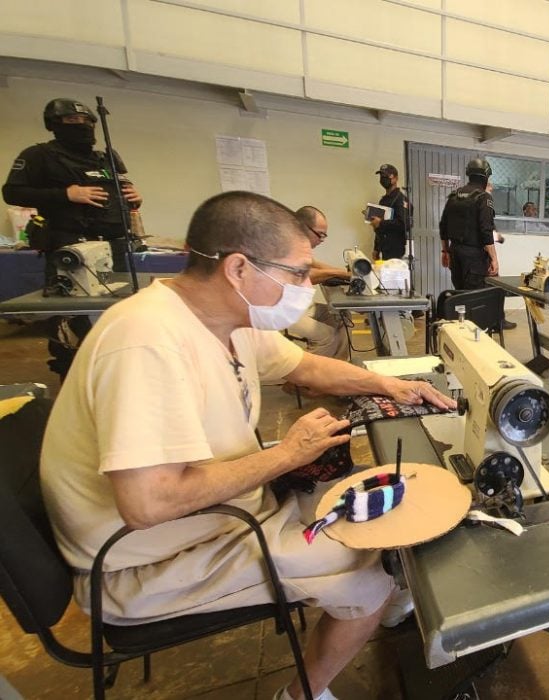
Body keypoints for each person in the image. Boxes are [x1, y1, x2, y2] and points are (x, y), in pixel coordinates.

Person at [39, 191, 457, 700]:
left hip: (218, 517)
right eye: (299, 273)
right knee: (368, 574)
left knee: (380, 511)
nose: (306, 286)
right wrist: (285, 455)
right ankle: (304, 691)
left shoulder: (224, 317)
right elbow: (150, 502)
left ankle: (388, 602)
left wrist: (389, 385)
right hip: (144, 564)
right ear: (238, 268)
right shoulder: (147, 342)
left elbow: (304, 366)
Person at [2, 97, 144, 377]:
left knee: (118, 311)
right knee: (72, 315)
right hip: (70, 245)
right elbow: (12, 193)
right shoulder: (38, 155)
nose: (81, 127)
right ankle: (72, 373)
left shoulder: (105, 158)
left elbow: (122, 191)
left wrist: (134, 198)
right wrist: (65, 194)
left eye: (87, 122)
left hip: (112, 245)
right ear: (54, 125)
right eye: (71, 122)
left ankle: (115, 368)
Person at [439, 158, 515, 329]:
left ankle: (461, 331)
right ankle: (476, 335)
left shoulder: (454, 196)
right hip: (473, 258)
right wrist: (494, 259)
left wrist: (445, 252)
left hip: (455, 253)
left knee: (461, 296)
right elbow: (486, 231)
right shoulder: (483, 198)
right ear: (486, 176)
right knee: (476, 299)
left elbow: (443, 226)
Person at [285, 206, 351, 361]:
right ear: (302, 227)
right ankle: (300, 379)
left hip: (302, 306)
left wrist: (349, 274)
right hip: (284, 313)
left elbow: (314, 265)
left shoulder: (302, 247)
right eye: (320, 235)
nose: (321, 240)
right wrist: (341, 273)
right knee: (326, 336)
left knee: (342, 317)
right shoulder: (285, 247)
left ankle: (339, 367)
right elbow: (304, 276)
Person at [370, 164, 411, 261]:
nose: (383, 179)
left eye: (386, 176)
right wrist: (376, 248)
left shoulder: (401, 200)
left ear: (395, 178)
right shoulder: (383, 201)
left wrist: (381, 222)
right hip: (385, 249)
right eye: (381, 176)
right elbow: (379, 229)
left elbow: (403, 224)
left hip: (397, 251)